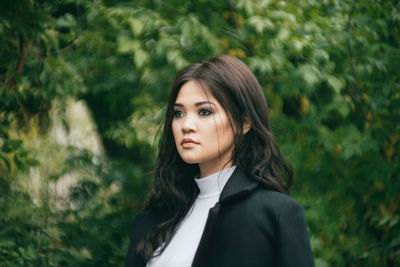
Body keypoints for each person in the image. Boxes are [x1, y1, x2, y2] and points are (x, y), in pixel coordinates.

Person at [125, 55, 315, 267]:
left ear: (243, 123)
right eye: (178, 113)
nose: (186, 124)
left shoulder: (275, 215)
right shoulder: (153, 220)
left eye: (204, 111)